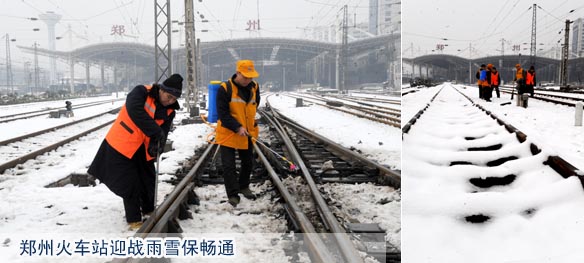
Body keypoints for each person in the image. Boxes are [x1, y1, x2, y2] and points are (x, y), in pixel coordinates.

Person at [87, 74, 183, 230]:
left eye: (174, 99)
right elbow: (135, 112)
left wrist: (157, 146)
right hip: (122, 144)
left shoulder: (170, 111)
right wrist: (155, 132)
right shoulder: (141, 92)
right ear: (161, 89)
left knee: (148, 180)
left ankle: (148, 209)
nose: (170, 101)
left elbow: (163, 133)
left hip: (143, 149)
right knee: (129, 183)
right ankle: (134, 220)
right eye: (169, 96)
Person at [216, 60, 261, 207]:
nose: (248, 80)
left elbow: (255, 104)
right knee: (228, 166)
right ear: (238, 73)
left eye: (251, 77)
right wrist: (237, 127)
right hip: (228, 132)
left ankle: (244, 186)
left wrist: (247, 125)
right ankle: (233, 195)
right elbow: (223, 114)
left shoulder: (255, 87)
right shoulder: (225, 88)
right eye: (245, 77)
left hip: (247, 132)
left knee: (247, 162)